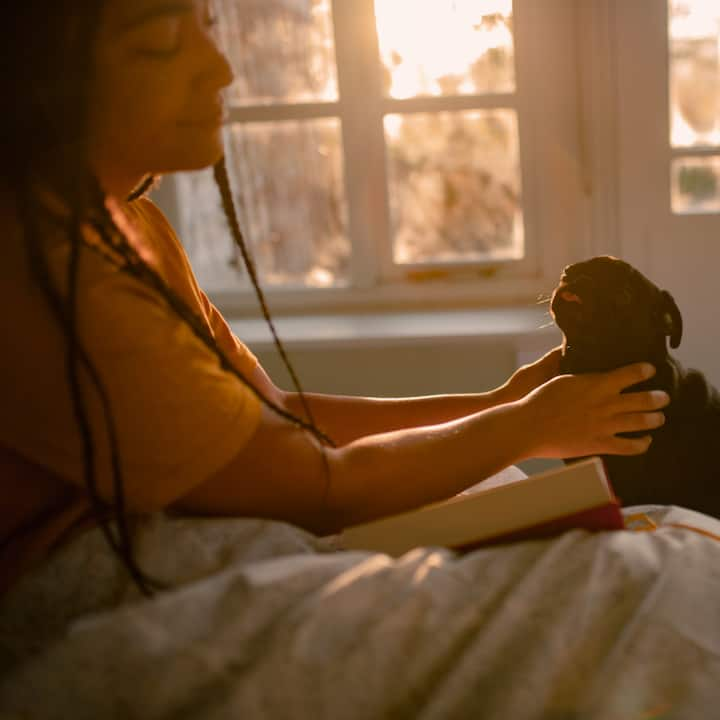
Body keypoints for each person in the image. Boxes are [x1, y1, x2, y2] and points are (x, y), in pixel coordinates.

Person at [4, 2, 719, 718]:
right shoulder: (48, 266)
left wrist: (502, 404)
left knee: (628, 541)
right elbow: (322, 487)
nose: (219, 67)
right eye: (162, 41)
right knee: (665, 589)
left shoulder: (129, 229)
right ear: (42, 79)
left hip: (202, 533)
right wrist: (528, 425)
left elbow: (276, 418)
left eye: (210, 26)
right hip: (106, 580)